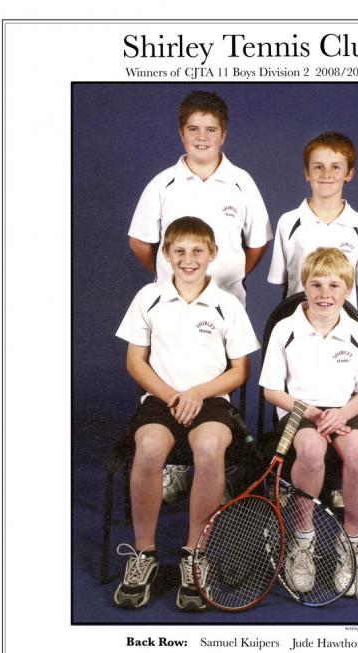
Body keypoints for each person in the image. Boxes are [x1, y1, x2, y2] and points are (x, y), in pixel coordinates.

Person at [115, 216, 260, 611]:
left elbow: (240, 371)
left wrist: (197, 393)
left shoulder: (227, 305)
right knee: (148, 448)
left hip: (210, 399)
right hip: (161, 399)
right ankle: (144, 553)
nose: (188, 259)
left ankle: (195, 555)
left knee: (210, 447)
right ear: (166, 254)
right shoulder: (149, 297)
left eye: (198, 251)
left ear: (212, 254)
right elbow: (135, 362)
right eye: (179, 251)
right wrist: (172, 396)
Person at [259, 247, 358, 597]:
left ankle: (350, 541)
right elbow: (272, 391)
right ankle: (303, 541)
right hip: (300, 411)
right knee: (312, 450)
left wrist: (342, 414)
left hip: (346, 411)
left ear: (348, 289)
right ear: (304, 285)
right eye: (316, 285)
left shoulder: (357, 332)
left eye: (334, 285)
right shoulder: (286, 329)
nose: (324, 294)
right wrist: (313, 412)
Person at [128, 90, 272, 307]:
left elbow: (259, 243)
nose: (201, 137)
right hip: (171, 304)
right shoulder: (162, 184)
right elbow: (139, 242)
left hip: (227, 301)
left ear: (223, 135)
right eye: (193, 129)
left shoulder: (242, 183)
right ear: (181, 134)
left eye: (211, 130)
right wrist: (173, 273)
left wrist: (235, 276)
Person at [267, 130, 358, 308]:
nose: (326, 174)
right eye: (318, 167)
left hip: (343, 322)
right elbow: (285, 282)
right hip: (297, 319)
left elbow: (355, 282)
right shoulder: (288, 222)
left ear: (349, 173)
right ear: (307, 173)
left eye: (336, 167)